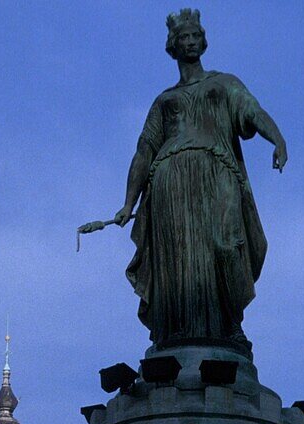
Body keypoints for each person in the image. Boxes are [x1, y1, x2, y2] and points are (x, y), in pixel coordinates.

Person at [113, 9, 287, 356]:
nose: (190, 42)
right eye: (183, 38)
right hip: (169, 182)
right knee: (176, 258)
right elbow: (144, 151)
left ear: (203, 42)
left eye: (195, 36)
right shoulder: (164, 100)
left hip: (215, 171)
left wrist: (278, 139)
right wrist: (128, 203)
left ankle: (229, 326)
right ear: (173, 47)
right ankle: (172, 331)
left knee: (226, 245)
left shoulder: (223, 83)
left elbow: (252, 110)